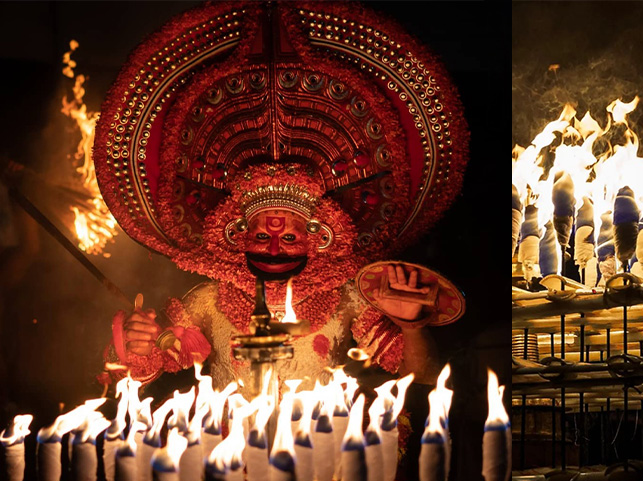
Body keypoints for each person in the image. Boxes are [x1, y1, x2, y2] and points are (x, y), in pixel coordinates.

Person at [90, 1, 469, 399]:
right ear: (237, 235)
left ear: (318, 238)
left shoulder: (345, 299)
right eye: (261, 238)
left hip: (320, 452)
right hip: (233, 453)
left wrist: (411, 328)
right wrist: (138, 343)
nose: (273, 250)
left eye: (289, 239)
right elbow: (139, 372)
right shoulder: (209, 301)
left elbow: (421, 377)